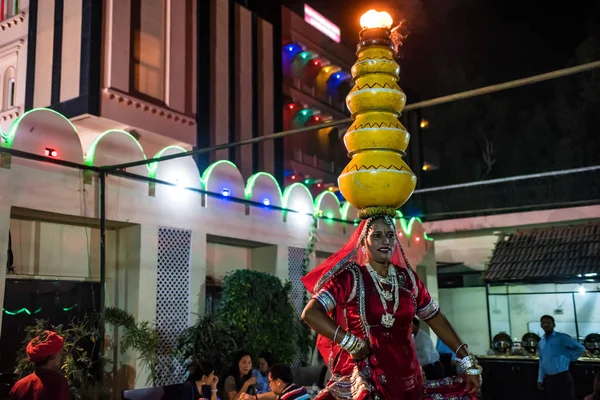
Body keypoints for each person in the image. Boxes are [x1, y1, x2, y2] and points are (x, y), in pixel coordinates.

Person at [301, 215, 482, 399]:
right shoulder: (351, 278)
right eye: (377, 235)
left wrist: (467, 361)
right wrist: (351, 343)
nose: (385, 240)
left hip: (409, 379)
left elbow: (434, 316)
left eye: (390, 235)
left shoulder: (408, 279)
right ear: (363, 241)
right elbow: (311, 313)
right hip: (370, 378)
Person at [10, 330, 70, 400]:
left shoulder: (19, 386)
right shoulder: (58, 383)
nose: (61, 358)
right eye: (60, 354)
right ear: (53, 356)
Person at [537, 315, 585, 400]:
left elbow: (580, 348)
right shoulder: (542, 341)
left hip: (562, 378)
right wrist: (540, 379)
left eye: (548, 323)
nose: (546, 325)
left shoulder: (561, 338)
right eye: (543, 323)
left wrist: (570, 358)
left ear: (553, 325)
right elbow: (541, 361)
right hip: (548, 379)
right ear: (541, 325)